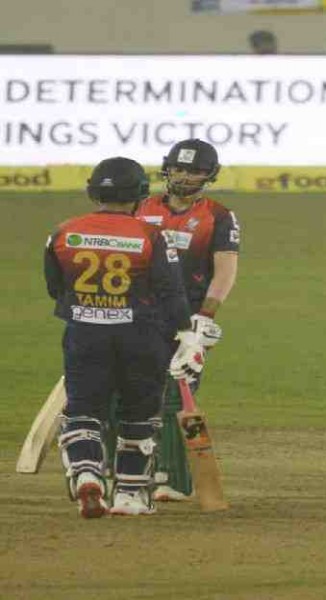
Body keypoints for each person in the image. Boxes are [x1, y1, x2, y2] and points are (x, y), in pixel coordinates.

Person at [45, 157, 204, 518]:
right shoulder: (152, 236)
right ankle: (130, 495)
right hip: (141, 337)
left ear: (93, 191)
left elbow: (56, 288)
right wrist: (186, 337)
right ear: (140, 194)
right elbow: (171, 292)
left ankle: (87, 473)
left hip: (84, 335)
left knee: (83, 409)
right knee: (139, 413)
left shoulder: (62, 232)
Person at [133, 139, 240, 502]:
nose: (184, 176)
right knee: (132, 393)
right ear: (167, 167)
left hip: (186, 319)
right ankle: (134, 470)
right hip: (140, 315)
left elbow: (225, 271)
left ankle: (177, 479)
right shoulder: (140, 207)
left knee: (177, 396)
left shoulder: (219, 216)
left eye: (194, 171)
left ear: (209, 175)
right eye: (179, 168)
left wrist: (204, 318)